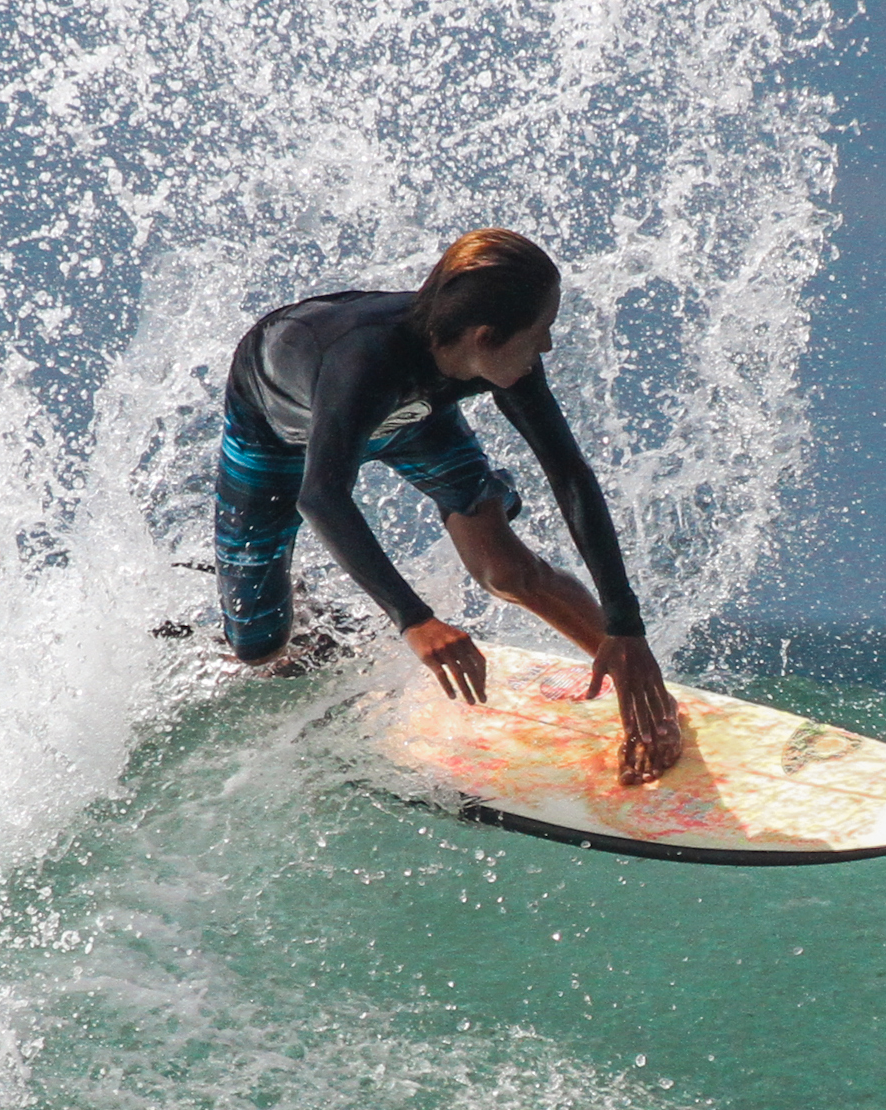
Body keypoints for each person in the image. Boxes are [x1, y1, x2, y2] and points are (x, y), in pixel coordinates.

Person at [214, 229, 686, 785]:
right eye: (541, 333)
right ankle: (314, 624)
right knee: (259, 647)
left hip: (416, 418)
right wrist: (414, 619)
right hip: (277, 434)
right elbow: (321, 496)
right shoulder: (362, 362)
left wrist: (625, 628)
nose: (547, 348)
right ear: (484, 337)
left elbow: (570, 475)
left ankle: (638, 688)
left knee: (507, 572)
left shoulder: (500, 362)